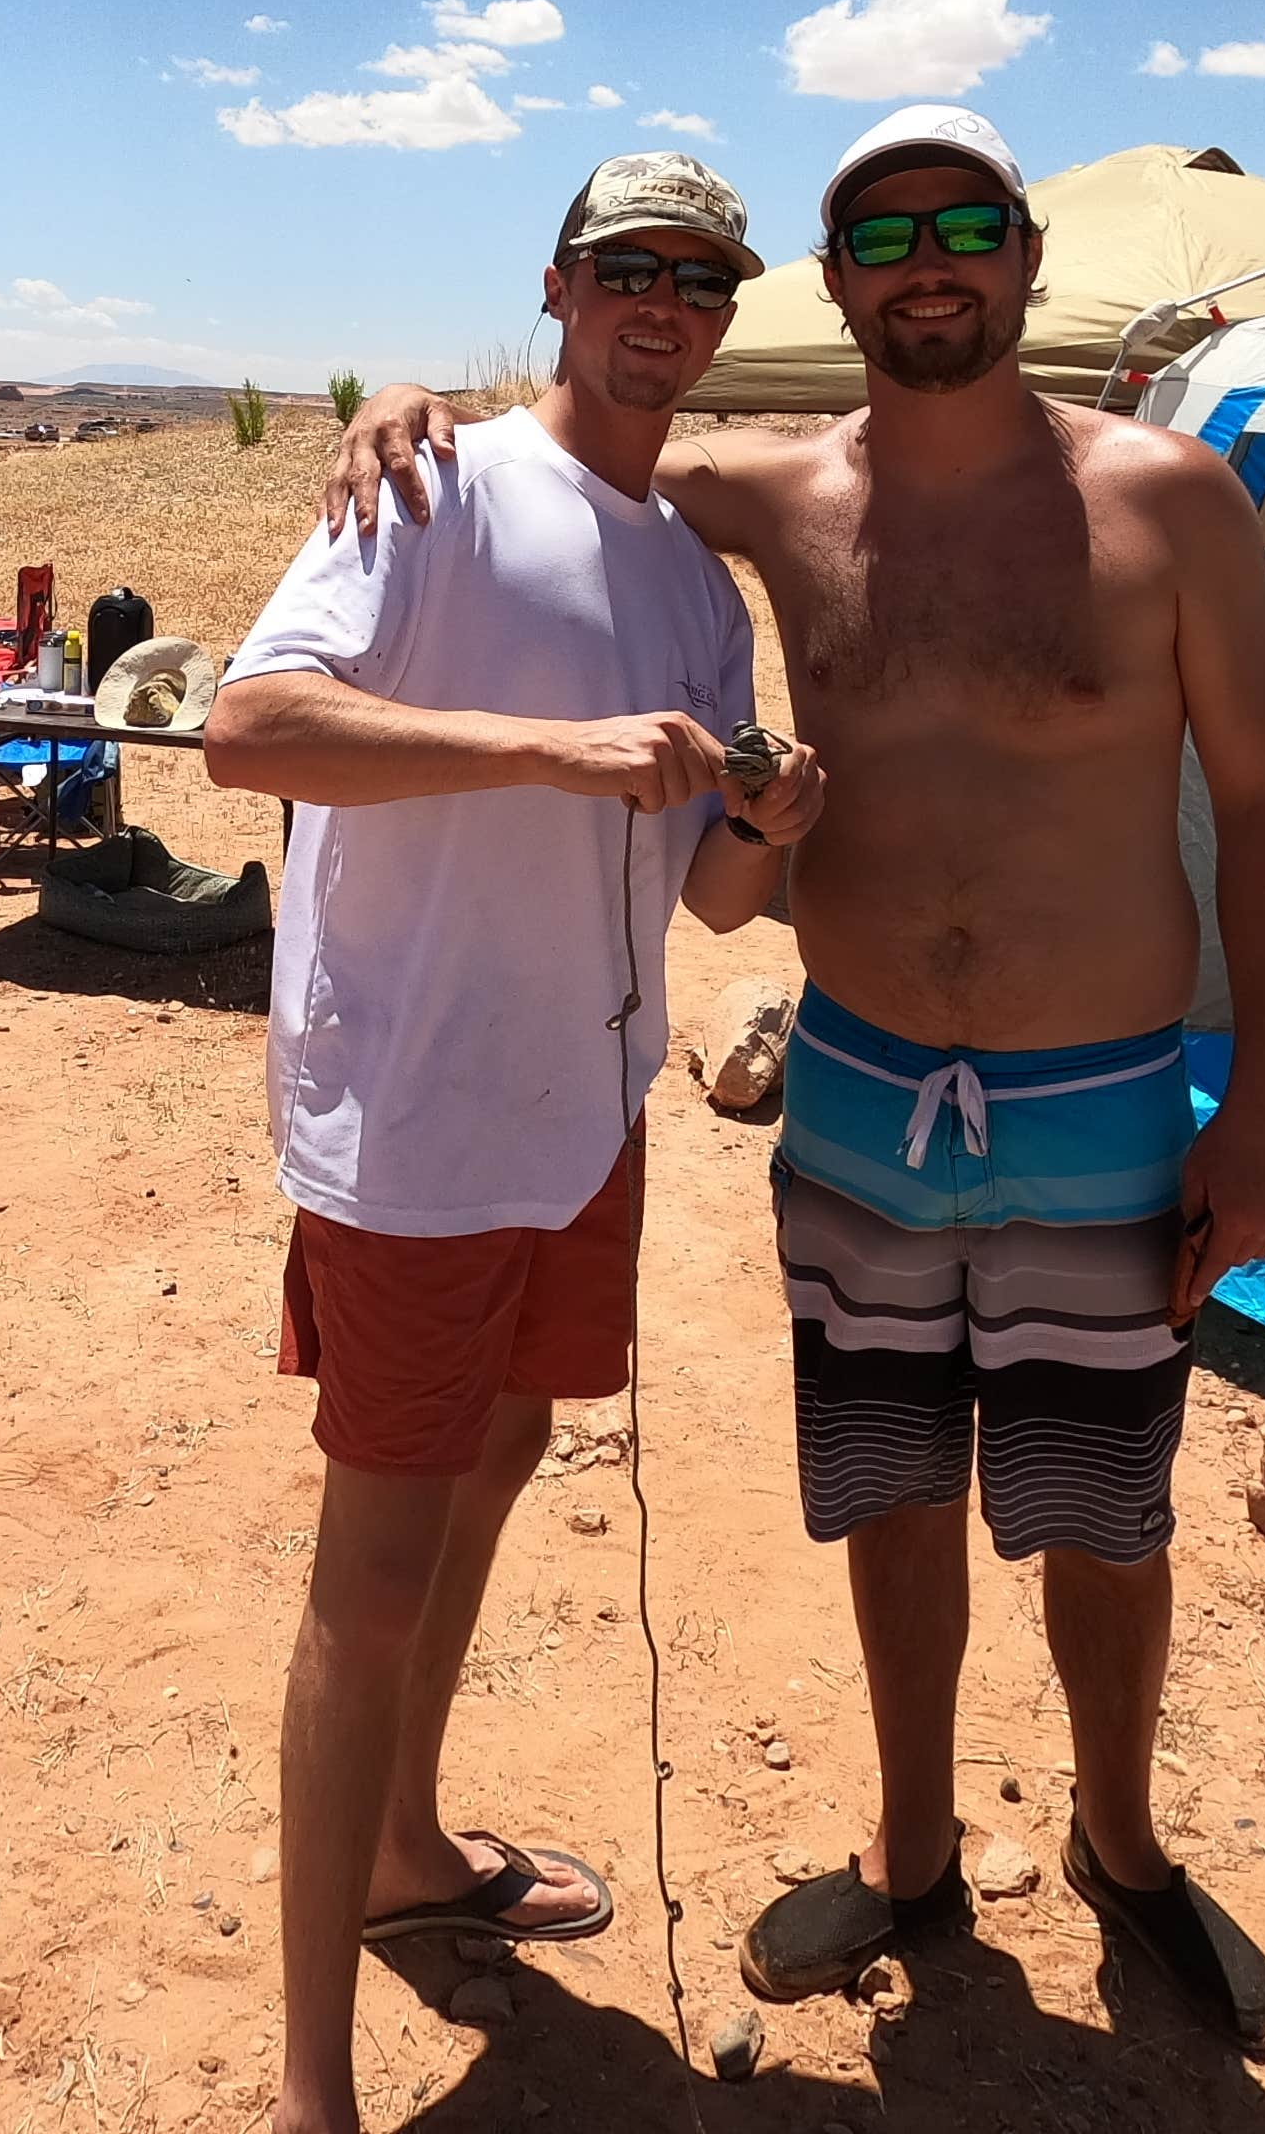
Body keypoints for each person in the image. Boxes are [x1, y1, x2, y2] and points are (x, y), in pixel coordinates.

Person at [322, 103, 1265, 2057]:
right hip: (859, 1090)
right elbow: (575, 449)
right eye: (880, 236)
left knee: (1103, 1508)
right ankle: (909, 1843)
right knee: (892, 1486)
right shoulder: (773, 494)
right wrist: (416, 409)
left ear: (1023, 259)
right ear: (838, 285)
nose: (924, 263)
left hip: (1097, 1098)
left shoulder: (1167, 498)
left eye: (963, 227)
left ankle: (1122, 1845)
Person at [206, 155, 830, 2134]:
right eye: (628, 267)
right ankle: (312, 2086)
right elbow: (249, 733)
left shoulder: (693, 589)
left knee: (499, 1456)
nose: (664, 303)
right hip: (411, 1128)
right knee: (372, 1576)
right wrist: (551, 752)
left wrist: (766, 826)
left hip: (578, 1122)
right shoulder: (433, 486)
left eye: (700, 279)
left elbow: (707, 899)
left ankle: (405, 1844)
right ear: (558, 286)